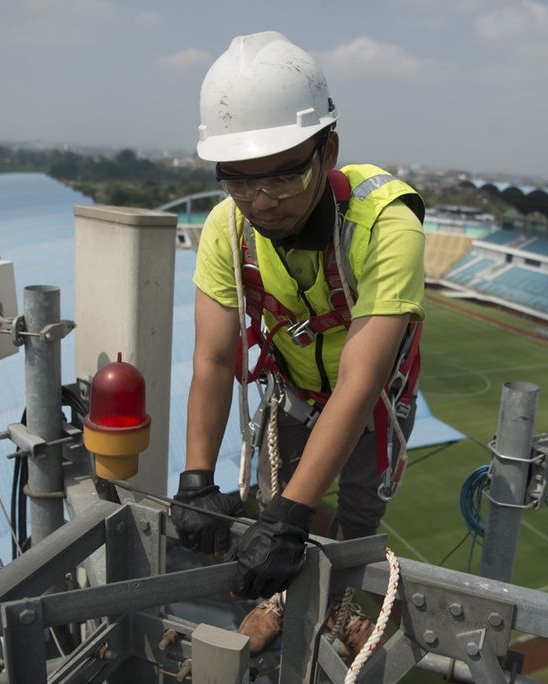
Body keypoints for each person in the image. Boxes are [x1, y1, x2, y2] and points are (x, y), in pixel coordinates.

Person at [170, 30, 425, 655]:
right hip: (292, 390)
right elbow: (212, 357)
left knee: (357, 516)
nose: (262, 202)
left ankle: (336, 607)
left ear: (328, 149)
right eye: (240, 182)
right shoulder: (228, 228)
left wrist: (290, 517)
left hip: (373, 404)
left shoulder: (386, 222)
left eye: (283, 178)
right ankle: (282, 601)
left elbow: (361, 383)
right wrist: (197, 477)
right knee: (271, 499)